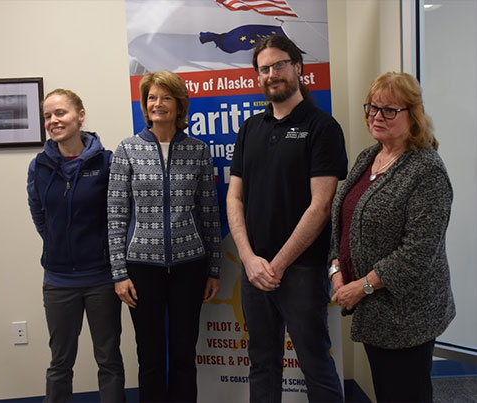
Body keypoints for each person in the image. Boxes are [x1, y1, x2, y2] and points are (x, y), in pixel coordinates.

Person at [226, 35, 347, 403]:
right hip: (254, 270)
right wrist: (249, 260)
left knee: (315, 364)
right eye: (264, 68)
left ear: (298, 68)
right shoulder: (249, 129)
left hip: (302, 271)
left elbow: (321, 206)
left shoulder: (322, 128)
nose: (272, 74)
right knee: (261, 364)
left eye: (279, 65)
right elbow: (235, 196)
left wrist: (276, 265)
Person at [330, 72, 455, 402]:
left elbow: (418, 251)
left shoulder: (427, 170)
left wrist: (362, 286)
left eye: (389, 110)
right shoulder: (368, 157)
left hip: (408, 315)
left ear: (412, 115)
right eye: (372, 107)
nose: (376, 116)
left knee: (406, 394)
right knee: (387, 392)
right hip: (375, 312)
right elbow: (341, 220)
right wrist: (335, 270)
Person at [108, 70, 222, 403]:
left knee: (185, 356)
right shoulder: (127, 150)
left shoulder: (198, 151)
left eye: (166, 98)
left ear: (179, 105)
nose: (158, 104)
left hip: (190, 266)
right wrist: (119, 273)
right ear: (145, 105)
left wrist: (214, 269)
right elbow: (115, 216)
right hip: (142, 268)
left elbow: (210, 213)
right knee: (151, 357)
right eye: (152, 98)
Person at [27, 89, 126, 403]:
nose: (54, 121)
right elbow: (39, 214)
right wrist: (59, 244)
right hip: (58, 282)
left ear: (80, 115)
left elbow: (117, 217)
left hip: (100, 279)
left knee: (108, 358)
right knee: (60, 363)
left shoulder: (107, 162)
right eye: (48, 116)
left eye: (61, 113)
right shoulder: (39, 166)